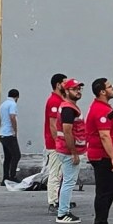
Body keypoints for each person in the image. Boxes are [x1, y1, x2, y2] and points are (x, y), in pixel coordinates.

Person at [85, 77, 113, 224]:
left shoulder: (103, 107)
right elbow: (104, 136)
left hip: (102, 155)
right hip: (102, 156)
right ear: (102, 91)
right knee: (106, 190)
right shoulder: (101, 110)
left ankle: (99, 222)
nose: (112, 89)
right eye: (109, 87)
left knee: (108, 189)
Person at [55, 79, 86, 223]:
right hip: (68, 151)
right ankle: (63, 213)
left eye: (79, 89)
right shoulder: (69, 109)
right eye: (74, 89)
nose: (78, 91)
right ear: (66, 91)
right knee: (68, 182)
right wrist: (74, 153)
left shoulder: (69, 107)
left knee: (66, 181)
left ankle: (63, 210)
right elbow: (67, 132)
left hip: (65, 149)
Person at [43, 72, 68, 213]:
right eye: (64, 83)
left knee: (61, 173)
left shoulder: (59, 100)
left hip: (58, 144)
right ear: (58, 85)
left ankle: (60, 199)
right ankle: (53, 202)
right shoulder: (54, 101)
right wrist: (58, 143)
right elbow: (53, 125)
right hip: (55, 145)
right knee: (56, 173)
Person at [0, 89, 21, 182]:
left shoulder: (2, 105)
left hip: (2, 134)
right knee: (16, 155)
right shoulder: (13, 104)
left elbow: (0, 118)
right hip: (9, 134)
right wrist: (15, 130)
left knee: (8, 157)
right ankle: (12, 176)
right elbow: (12, 117)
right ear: (17, 97)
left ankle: (5, 178)